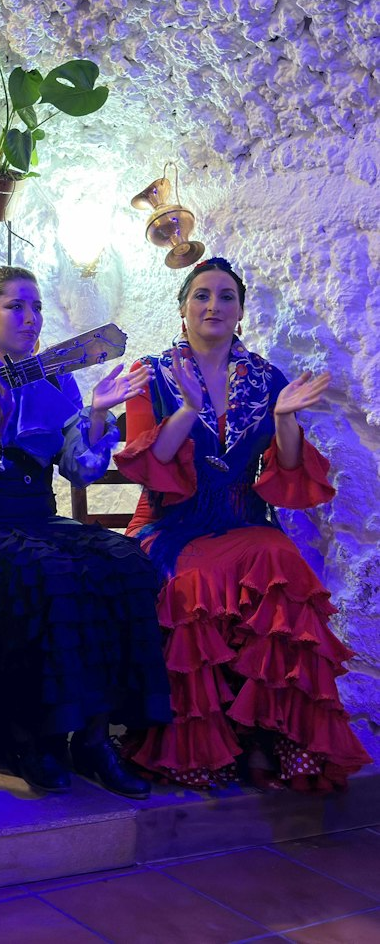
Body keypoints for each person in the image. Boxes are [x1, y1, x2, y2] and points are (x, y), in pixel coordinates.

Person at [115, 257, 370, 790]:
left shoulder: (265, 377)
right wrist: (185, 409)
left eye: (226, 296)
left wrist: (283, 419)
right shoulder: (152, 373)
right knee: (195, 585)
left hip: (242, 519)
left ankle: (269, 738)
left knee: (282, 563)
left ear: (240, 312)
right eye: (202, 295)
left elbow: (290, 470)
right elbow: (152, 466)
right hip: (171, 523)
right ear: (182, 309)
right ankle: (200, 747)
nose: (214, 305)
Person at [0, 267, 172, 798]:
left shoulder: (58, 377)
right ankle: (24, 735)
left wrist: (98, 415)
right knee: (44, 571)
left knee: (124, 561)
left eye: (35, 306)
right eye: (15, 306)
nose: (30, 318)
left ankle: (93, 737)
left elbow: (79, 470)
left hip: (34, 517)